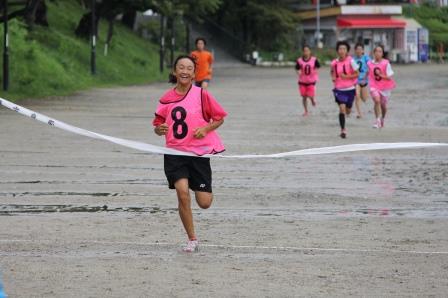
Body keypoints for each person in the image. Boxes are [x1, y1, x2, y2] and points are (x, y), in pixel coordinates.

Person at [153, 55, 227, 252]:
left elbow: (219, 118)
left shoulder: (202, 95)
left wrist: (206, 129)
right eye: (181, 68)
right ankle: (192, 239)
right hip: (175, 154)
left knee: (204, 202)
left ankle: (198, 185)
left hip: (198, 155)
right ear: (175, 71)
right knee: (182, 193)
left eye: (189, 68)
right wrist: (159, 129)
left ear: (194, 74)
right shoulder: (166, 98)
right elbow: (158, 125)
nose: (184, 71)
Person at [331, 41, 360, 139]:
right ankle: (343, 130)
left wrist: (347, 76)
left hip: (350, 89)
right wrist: (333, 77)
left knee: (348, 110)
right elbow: (332, 72)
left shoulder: (351, 61)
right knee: (342, 108)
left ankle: (347, 113)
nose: (342, 51)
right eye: (340, 49)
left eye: (344, 49)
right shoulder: (334, 63)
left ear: (347, 51)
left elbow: (357, 74)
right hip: (339, 89)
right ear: (337, 50)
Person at [367, 45, 396, 129]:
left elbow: (389, 77)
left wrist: (381, 75)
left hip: (385, 87)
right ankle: (377, 121)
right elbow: (368, 73)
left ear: (382, 54)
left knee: (383, 106)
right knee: (376, 100)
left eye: (380, 51)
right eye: (376, 51)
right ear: (373, 53)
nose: (378, 53)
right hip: (374, 86)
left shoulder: (386, 63)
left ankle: (382, 118)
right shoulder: (369, 63)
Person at [295, 45, 321, 117]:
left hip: (311, 81)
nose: (306, 52)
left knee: (310, 95)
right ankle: (306, 111)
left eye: (307, 50)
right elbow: (297, 68)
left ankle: (312, 100)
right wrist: (298, 72)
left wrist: (315, 72)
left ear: (310, 51)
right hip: (302, 81)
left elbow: (318, 67)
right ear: (303, 52)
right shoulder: (299, 60)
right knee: (304, 96)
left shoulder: (314, 59)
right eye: (304, 51)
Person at [353, 43, 370, 119]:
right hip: (356, 81)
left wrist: (367, 74)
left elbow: (371, 66)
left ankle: (366, 109)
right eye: (357, 49)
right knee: (357, 96)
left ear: (363, 50)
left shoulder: (366, 58)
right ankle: (359, 113)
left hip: (364, 81)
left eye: (360, 49)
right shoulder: (352, 59)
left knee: (364, 98)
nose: (359, 51)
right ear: (355, 50)